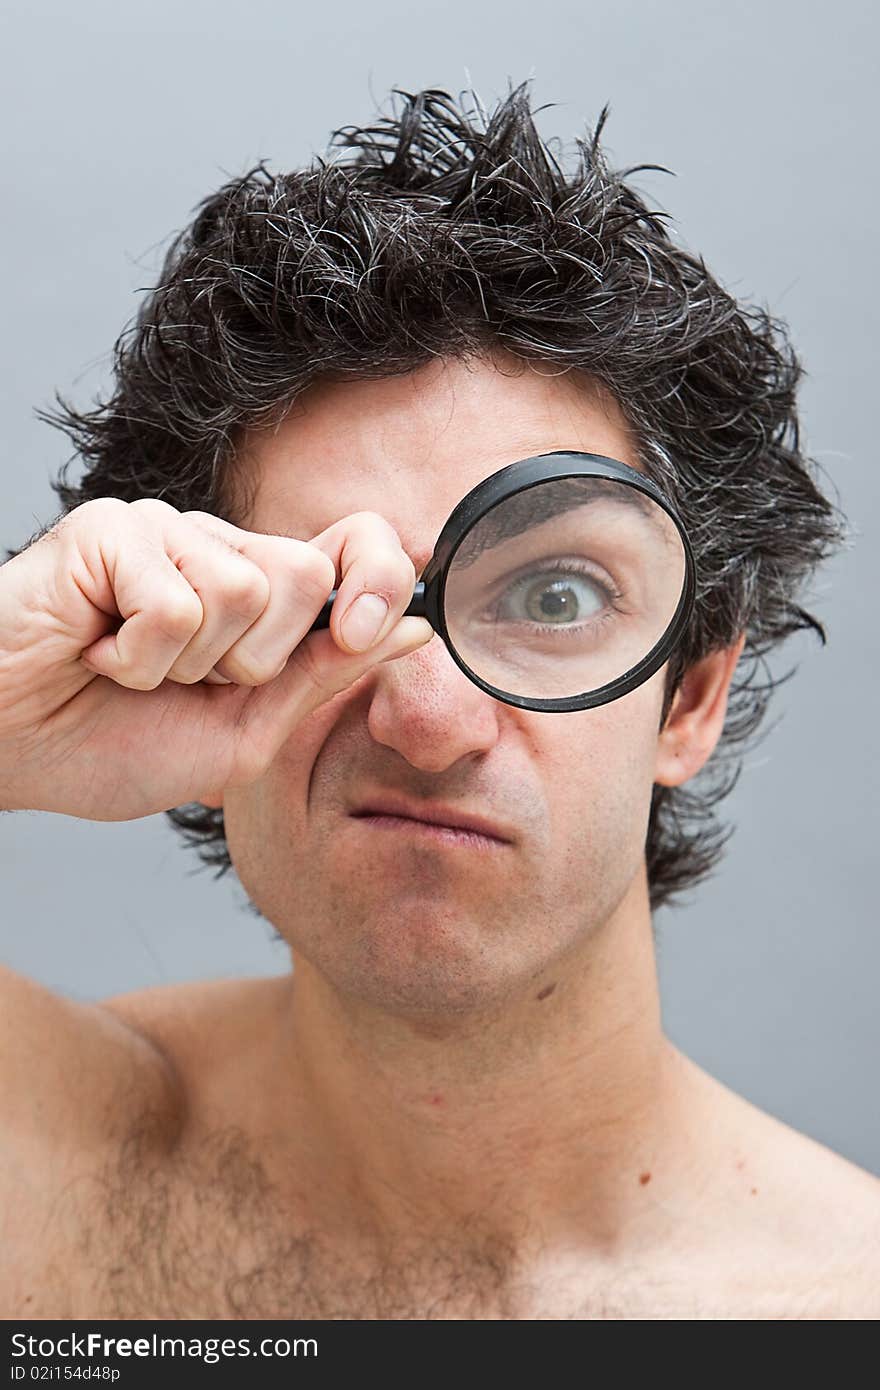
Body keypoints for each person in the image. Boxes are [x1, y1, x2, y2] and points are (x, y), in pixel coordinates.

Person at [1, 81, 877, 1321]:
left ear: (688, 694)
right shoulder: (32, 1173)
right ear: (186, 659)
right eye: (315, 604)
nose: (424, 717)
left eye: (557, 597)